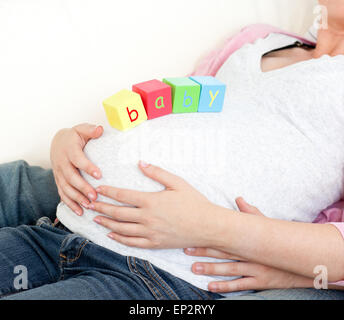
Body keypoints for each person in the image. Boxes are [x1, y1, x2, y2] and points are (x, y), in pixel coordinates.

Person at [1, 0, 344, 300]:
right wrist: (73, 141)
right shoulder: (258, 40)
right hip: (63, 225)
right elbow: (164, 110)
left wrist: (210, 225)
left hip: (157, 275)